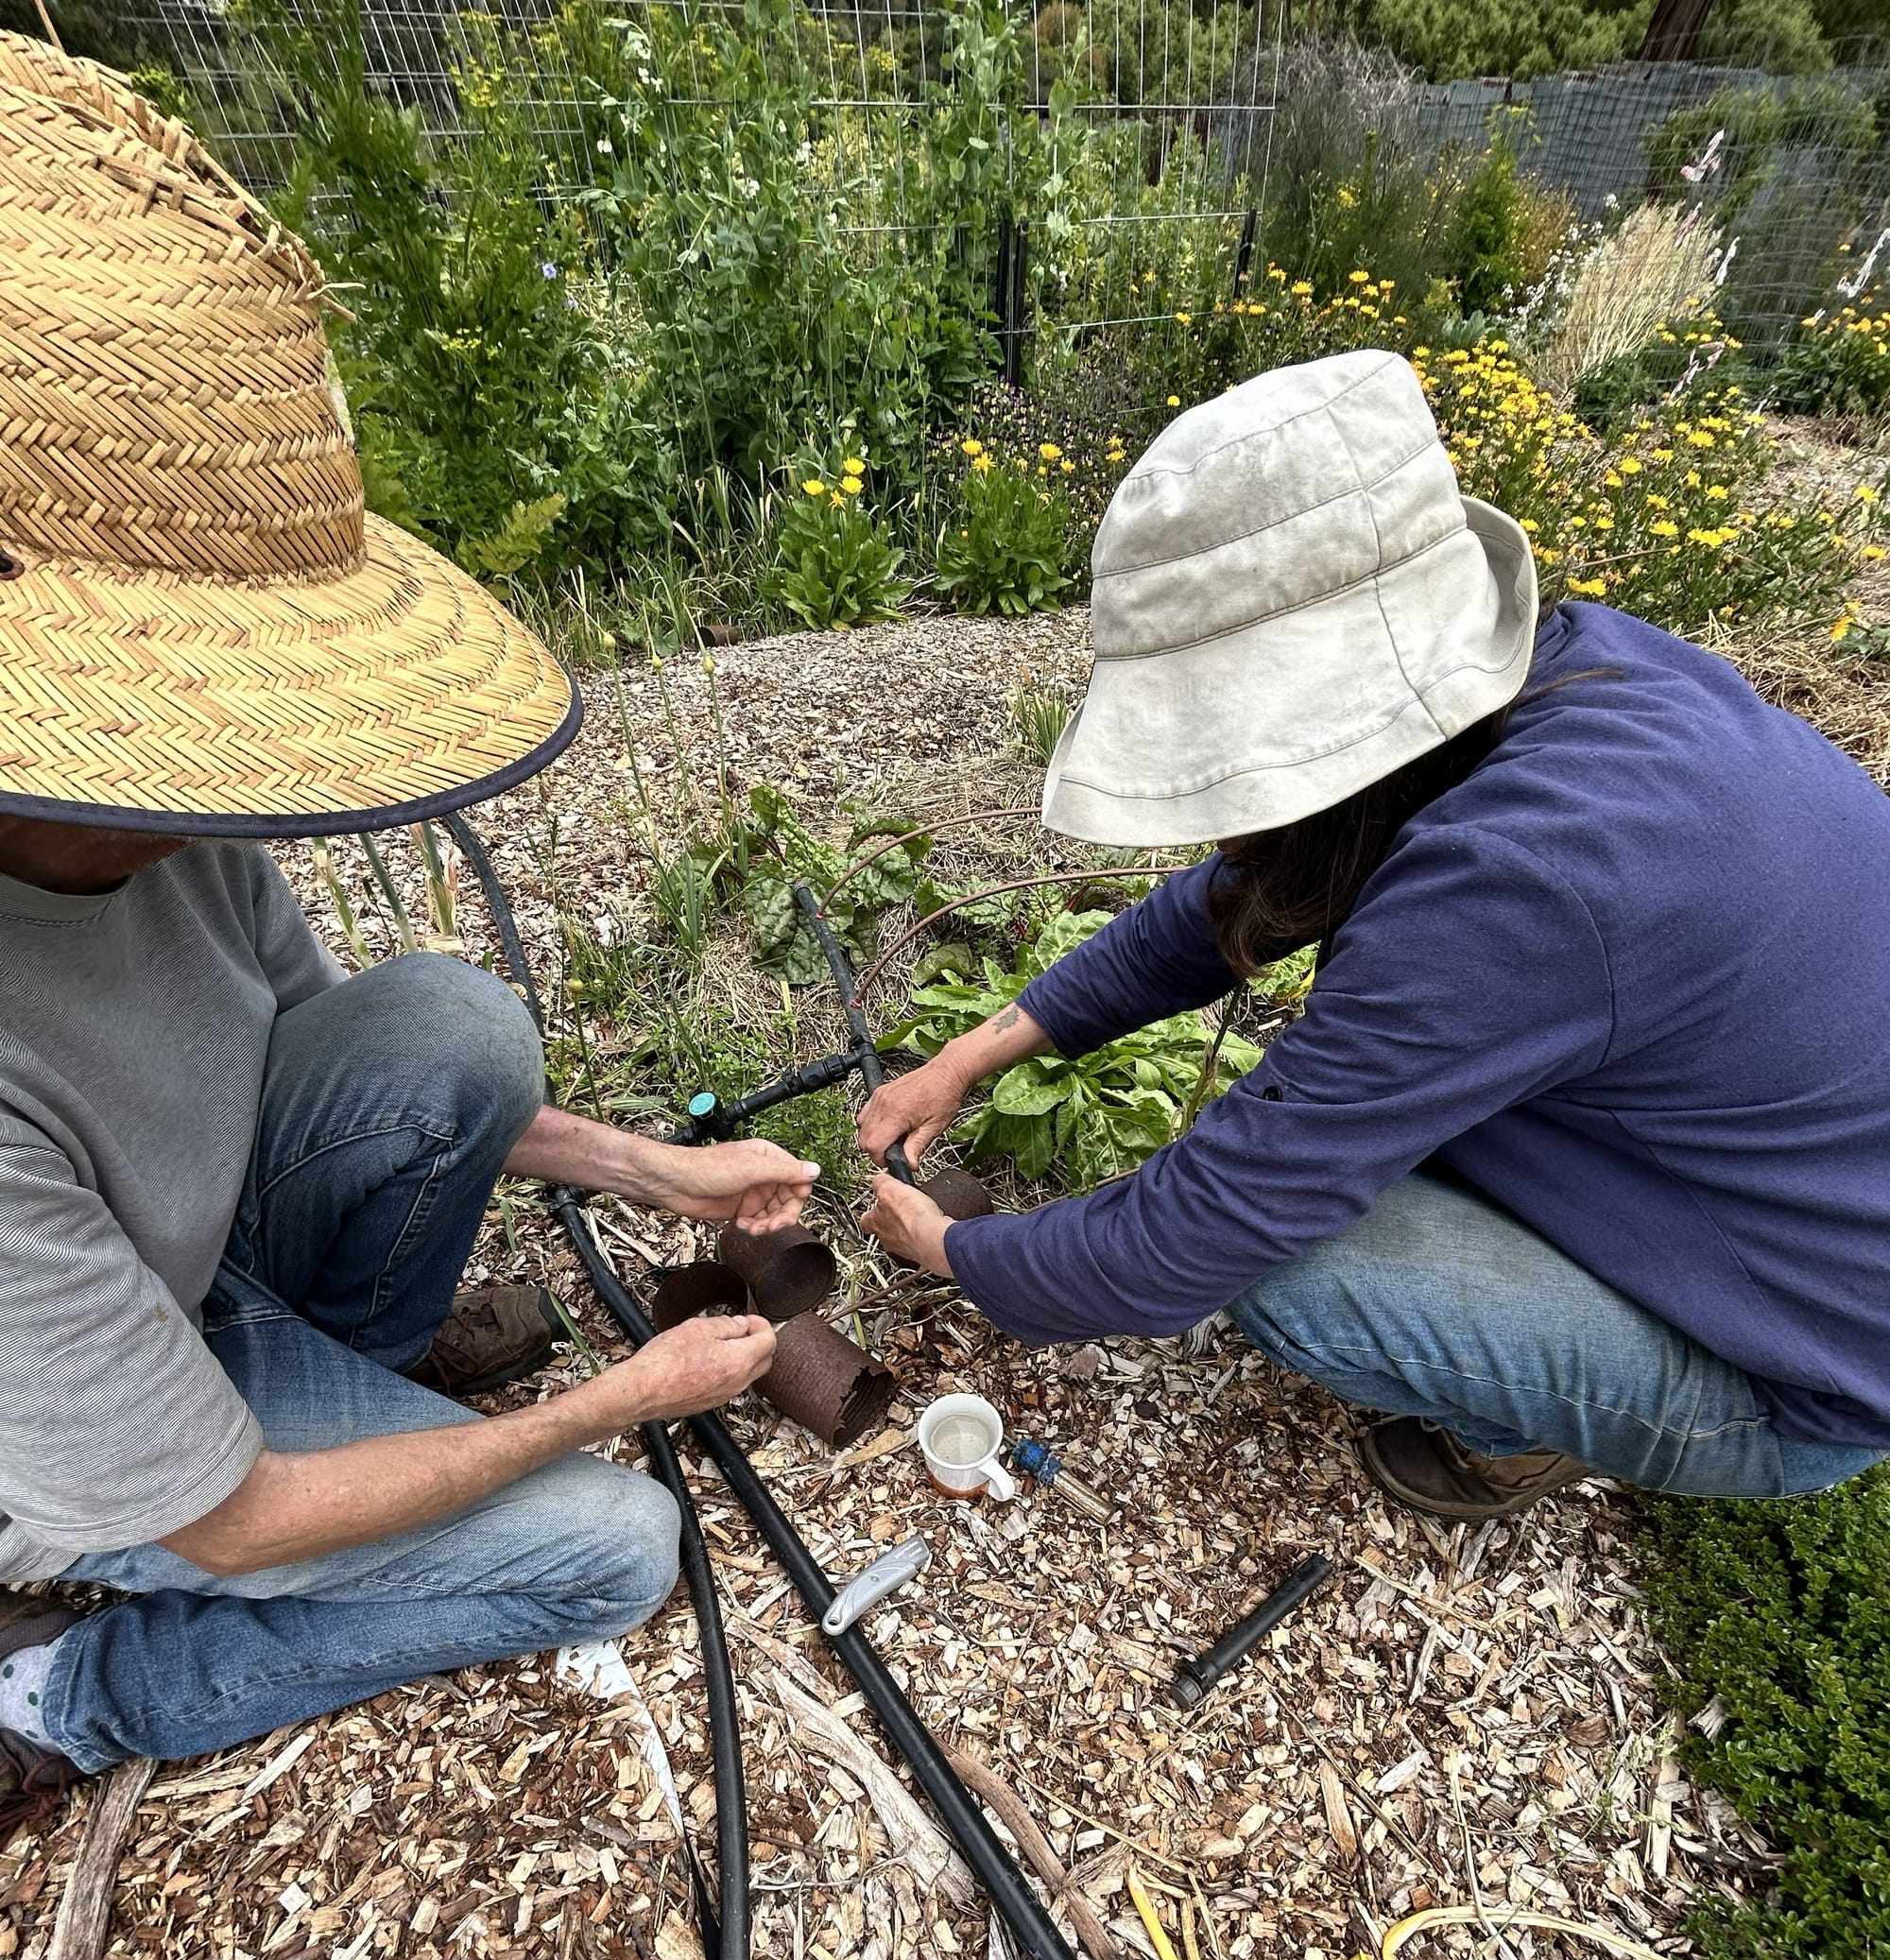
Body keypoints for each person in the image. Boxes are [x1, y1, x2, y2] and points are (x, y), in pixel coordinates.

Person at [0, 39, 795, 1840]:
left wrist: (657, 1170)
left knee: (450, 1024)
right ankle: (60, 1692)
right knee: (612, 1545)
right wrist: (611, 1399)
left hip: (195, 1273)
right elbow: (230, 1519)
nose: (237, 784)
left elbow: (334, 1061)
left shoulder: (155, 817)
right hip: (104, 1445)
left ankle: (365, 1382)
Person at [860, 349, 1890, 1523]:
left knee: (1297, 1277)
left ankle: (1521, 1440)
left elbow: (1182, 1246)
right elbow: (1239, 898)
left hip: (1815, 1363)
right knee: (1348, 1135)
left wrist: (953, 1250)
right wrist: (971, 1054)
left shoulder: (1511, 888)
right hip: (1804, 1185)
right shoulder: (1567, 679)